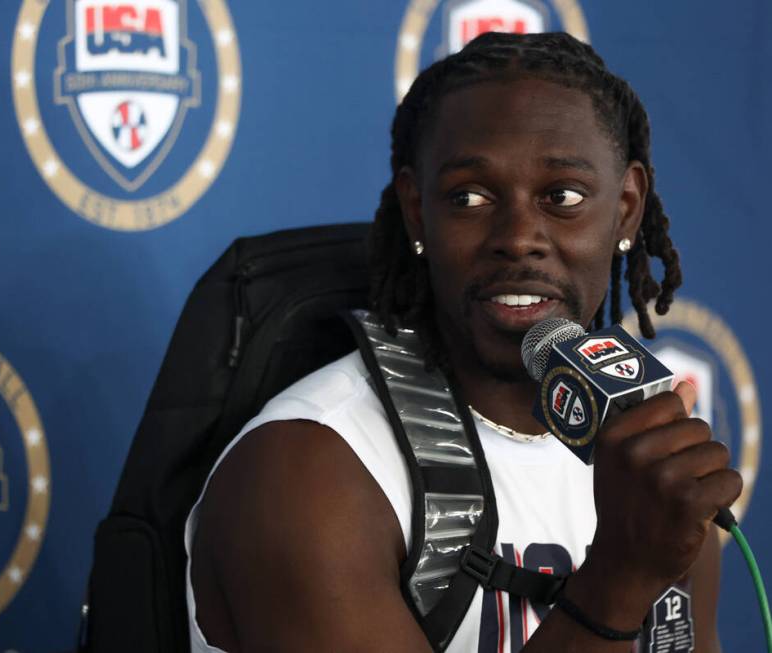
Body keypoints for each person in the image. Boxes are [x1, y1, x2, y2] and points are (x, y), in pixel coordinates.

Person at [184, 32, 743, 652]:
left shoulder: (648, 455)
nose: (519, 236)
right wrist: (621, 576)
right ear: (418, 212)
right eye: (470, 198)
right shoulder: (305, 472)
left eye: (563, 197)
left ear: (627, 208)